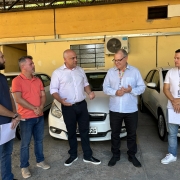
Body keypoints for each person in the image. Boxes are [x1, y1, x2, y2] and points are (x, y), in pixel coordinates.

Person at [50, 49, 101, 166]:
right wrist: (60, 100)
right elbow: (53, 90)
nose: (76, 60)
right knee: (71, 132)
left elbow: (85, 84)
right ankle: (73, 155)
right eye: (72, 58)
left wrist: (90, 92)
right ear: (65, 59)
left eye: (76, 57)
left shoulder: (80, 70)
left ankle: (87, 156)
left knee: (84, 131)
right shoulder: (57, 73)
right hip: (68, 107)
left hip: (82, 105)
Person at [103, 49, 145, 167]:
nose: (116, 63)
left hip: (130, 109)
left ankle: (132, 155)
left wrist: (132, 90)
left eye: (119, 60)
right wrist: (115, 92)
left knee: (131, 134)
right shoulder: (110, 72)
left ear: (126, 58)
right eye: (115, 60)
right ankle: (115, 155)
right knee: (115, 133)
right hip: (115, 109)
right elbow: (105, 88)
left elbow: (142, 87)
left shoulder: (135, 71)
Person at [12, 56, 50, 179]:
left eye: (33, 63)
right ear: (23, 66)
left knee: (39, 141)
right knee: (25, 144)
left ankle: (40, 161)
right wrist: (34, 108)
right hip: (26, 118)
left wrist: (41, 106)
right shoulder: (17, 81)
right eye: (31, 64)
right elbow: (18, 99)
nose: (33, 65)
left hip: (39, 116)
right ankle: (24, 166)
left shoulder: (38, 80)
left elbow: (43, 95)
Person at [0, 51, 21, 180]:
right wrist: (13, 115)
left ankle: (7, 177)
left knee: (7, 153)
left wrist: (15, 115)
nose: (5, 59)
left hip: (8, 123)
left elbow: (10, 96)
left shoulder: (2, 77)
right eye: (2, 57)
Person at [161, 49, 180, 164]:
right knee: (172, 133)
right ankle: (172, 154)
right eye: (175, 58)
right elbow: (165, 89)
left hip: (175, 104)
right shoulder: (170, 72)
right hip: (172, 107)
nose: (175, 60)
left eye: (178, 58)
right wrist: (174, 101)